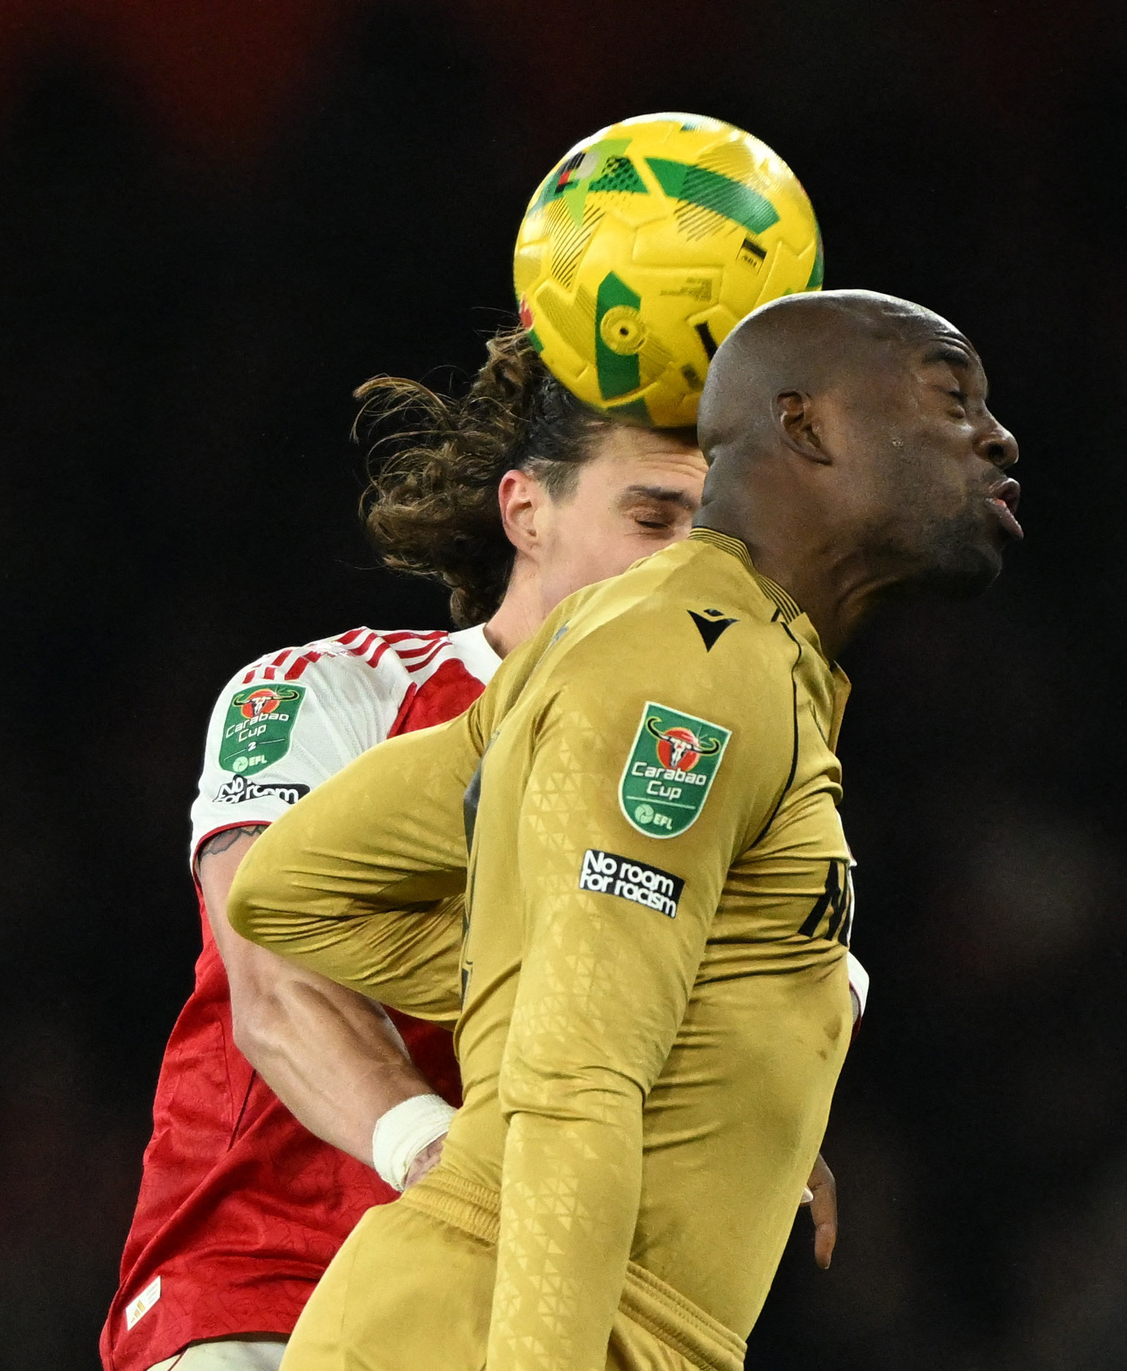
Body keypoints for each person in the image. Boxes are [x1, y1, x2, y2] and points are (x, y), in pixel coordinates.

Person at [229, 288, 1022, 1371]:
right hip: (499, 1325)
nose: (996, 435)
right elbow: (571, 1089)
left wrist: (544, 961)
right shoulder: (687, 663)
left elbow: (291, 885)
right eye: (951, 398)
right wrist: (553, 994)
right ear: (804, 427)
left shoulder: (710, 656)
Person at [101, 328, 854, 1371]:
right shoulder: (327, 692)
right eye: (650, 517)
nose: (682, 563)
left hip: (512, 1315)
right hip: (261, 1296)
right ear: (525, 511)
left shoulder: (725, 754)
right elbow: (275, 986)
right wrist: (440, 1155)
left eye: (707, 532)